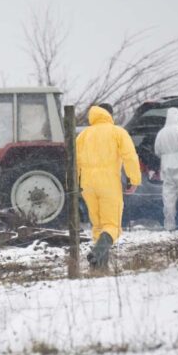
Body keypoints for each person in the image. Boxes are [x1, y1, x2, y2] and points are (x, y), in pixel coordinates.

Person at [76, 103, 141, 270]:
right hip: (108, 184)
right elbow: (130, 157)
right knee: (112, 226)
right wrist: (134, 180)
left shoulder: (82, 135)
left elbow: (74, 162)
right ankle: (97, 253)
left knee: (98, 226)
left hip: (87, 185)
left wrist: (74, 184)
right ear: (109, 115)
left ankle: (99, 267)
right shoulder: (117, 132)